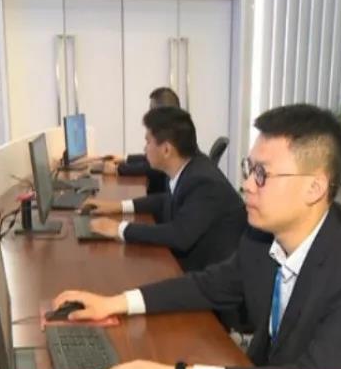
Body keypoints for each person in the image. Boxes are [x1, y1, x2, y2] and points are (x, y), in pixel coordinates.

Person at [54, 104, 341, 369]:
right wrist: (115, 303)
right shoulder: (262, 239)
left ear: (314, 187)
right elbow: (207, 285)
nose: (246, 185)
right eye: (248, 168)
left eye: (262, 174)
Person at [84, 106, 247, 275]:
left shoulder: (204, 181)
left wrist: (119, 229)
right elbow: (165, 200)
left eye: (148, 142)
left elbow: (179, 235)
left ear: (166, 150)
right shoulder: (189, 167)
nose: (145, 148)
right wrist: (117, 206)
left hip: (209, 278)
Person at [101, 87, 181, 194]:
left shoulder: (171, 137)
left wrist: (117, 169)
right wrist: (125, 158)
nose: (148, 114)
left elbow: (152, 168)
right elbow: (149, 158)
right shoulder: (174, 131)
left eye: (151, 110)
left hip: (162, 197)